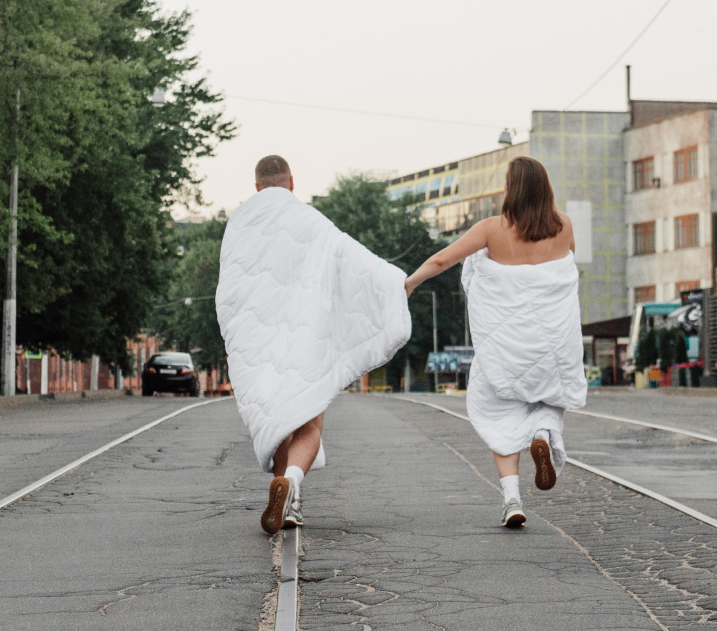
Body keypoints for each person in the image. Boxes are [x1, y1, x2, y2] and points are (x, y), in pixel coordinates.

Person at [217, 155, 412, 534]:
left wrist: (234, 339)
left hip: (258, 344)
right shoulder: (310, 220)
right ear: (292, 182)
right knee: (308, 420)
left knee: (276, 423)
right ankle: (291, 487)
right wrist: (394, 283)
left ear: (257, 187)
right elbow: (352, 257)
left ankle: (285, 497)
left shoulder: (238, 225)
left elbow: (229, 289)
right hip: (304, 338)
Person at [404, 156, 587, 527]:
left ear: (510, 189)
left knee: (496, 412)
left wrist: (409, 283)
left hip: (508, 346)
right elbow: (565, 272)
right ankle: (540, 433)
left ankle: (512, 501)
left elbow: (442, 261)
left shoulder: (490, 230)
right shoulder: (565, 225)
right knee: (551, 396)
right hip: (553, 342)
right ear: (544, 188)